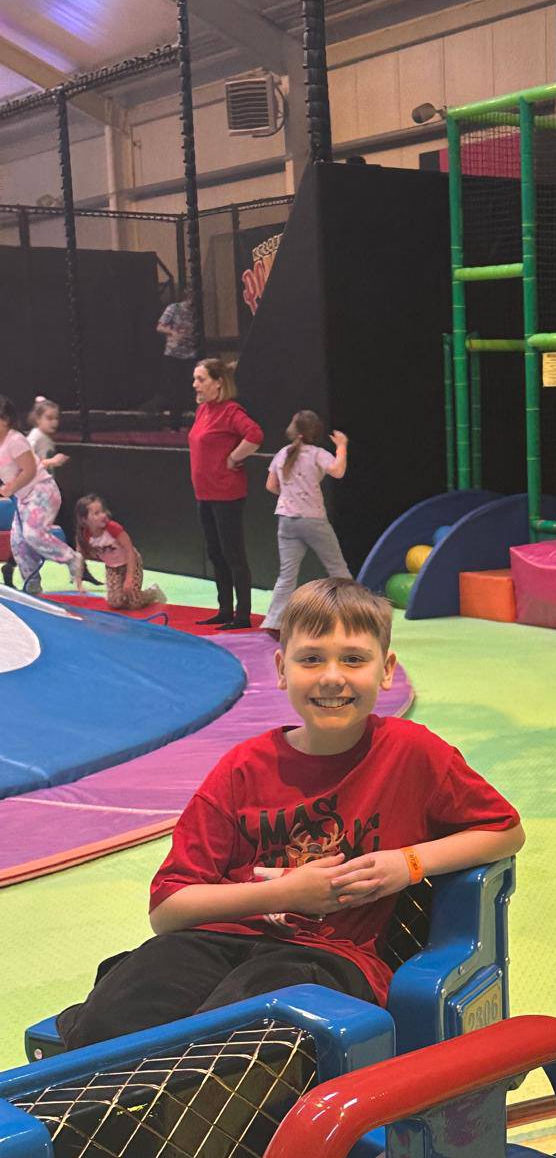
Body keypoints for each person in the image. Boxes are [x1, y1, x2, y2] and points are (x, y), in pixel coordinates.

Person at [56, 578, 526, 1050]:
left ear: (386, 670)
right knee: (109, 1020)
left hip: (327, 957)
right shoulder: (243, 768)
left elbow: (505, 831)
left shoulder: (411, 752)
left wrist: (409, 863)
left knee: (242, 1031)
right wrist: (286, 893)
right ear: (282, 669)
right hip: (211, 942)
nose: (332, 677)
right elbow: (167, 912)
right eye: (311, 659)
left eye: (354, 659)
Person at [262, 412, 351, 636]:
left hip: (286, 520)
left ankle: (274, 621)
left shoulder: (283, 453)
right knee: (337, 568)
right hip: (313, 520)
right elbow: (338, 471)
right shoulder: (318, 454)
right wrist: (342, 446)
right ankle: (354, 616)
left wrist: (290, 495)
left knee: (287, 575)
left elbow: (271, 485)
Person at [190, 358, 263, 630]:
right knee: (215, 553)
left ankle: (242, 614)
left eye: (201, 379)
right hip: (204, 494)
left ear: (218, 382)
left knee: (233, 555)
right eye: (195, 379)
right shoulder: (203, 410)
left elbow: (255, 434)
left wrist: (234, 457)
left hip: (226, 494)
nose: (195, 384)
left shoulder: (230, 411)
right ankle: (224, 609)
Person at [3, 397, 102, 590]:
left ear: (6, 420)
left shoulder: (15, 440)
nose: (54, 422)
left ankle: (73, 559)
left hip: (41, 491)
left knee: (33, 534)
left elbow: (30, 469)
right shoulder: (28, 438)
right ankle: (32, 586)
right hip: (24, 496)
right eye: (49, 418)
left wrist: (11, 487)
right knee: (19, 544)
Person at [74, 494, 166, 610]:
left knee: (134, 603)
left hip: (130, 562)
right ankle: (120, 594)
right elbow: (79, 558)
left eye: (102, 511)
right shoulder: (84, 536)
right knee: (115, 602)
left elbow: (130, 551)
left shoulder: (113, 528)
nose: (103, 515)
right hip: (113, 567)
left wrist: (129, 578)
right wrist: (79, 581)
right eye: (96, 513)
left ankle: (152, 592)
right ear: (84, 520)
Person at [156, 292, 196, 425]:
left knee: (192, 387)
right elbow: (160, 326)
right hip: (174, 354)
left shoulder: (196, 312)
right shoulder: (174, 308)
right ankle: (175, 423)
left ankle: (193, 422)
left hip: (191, 353)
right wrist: (173, 333)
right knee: (175, 388)